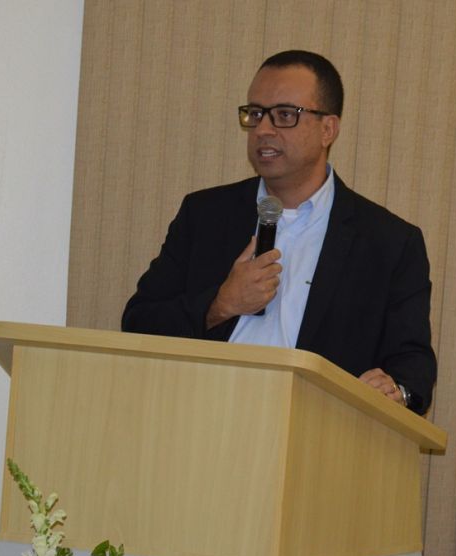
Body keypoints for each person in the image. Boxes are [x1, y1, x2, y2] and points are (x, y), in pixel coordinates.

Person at [122, 50, 436, 415]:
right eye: (255, 114)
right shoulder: (205, 215)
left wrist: (396, 391)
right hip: (201, 416)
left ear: (328, 129)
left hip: (315, 427)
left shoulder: (389, 242)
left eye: (285, 115)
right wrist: (220, 305)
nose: (263, 130)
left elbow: (413, 366)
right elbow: (139, 322)